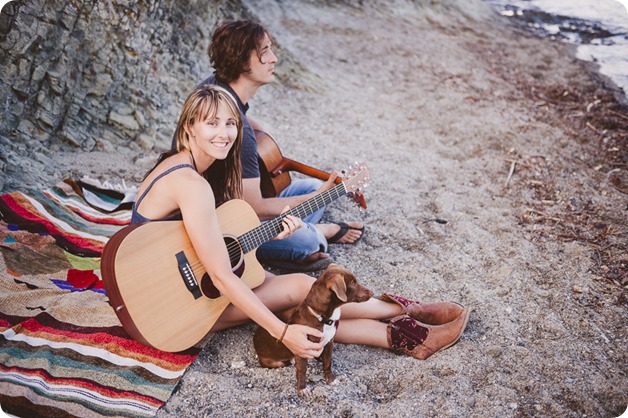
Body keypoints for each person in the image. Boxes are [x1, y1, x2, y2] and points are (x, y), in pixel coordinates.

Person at [146, 84, 470, 362]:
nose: (224, 132)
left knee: (298, 301)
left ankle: (406, 333)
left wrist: (268, 232)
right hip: (171, 308)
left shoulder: (190, 167)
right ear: (189, 127)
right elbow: (219, 273)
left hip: (175, 285)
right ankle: (400, 311)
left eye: (231, 123)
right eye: (212, 123)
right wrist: (282, 333)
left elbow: (212, 242)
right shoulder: (191, 184)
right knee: (303, 291)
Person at [179, 19, 365, 272]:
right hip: (221, 227)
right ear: (242, 61)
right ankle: (317, 234)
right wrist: (315, 198)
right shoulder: (236, 132)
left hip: (225, 200)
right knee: (308, 240)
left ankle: (304, 232)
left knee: (311, 186)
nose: (274, 58)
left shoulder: (216, 88)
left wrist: (261, 135)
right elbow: (254, 209)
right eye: (264, 51)